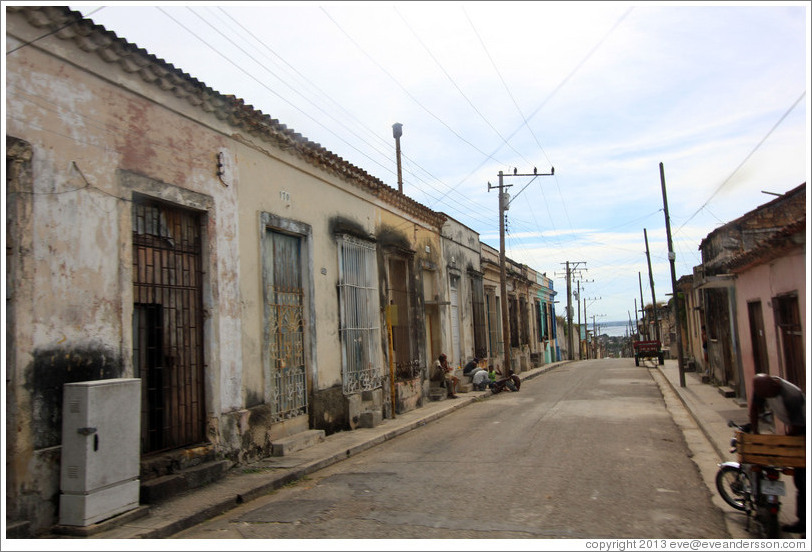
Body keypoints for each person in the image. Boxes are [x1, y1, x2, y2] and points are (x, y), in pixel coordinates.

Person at [749, 373, 805, 534]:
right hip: (796, 431)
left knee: (804, 481)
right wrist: (755, 434)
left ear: (775, 386)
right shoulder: (762, 388)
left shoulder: (791, 395)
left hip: (804, 430)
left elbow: (798, 427)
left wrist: (781, 444)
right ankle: (802, 521)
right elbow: (754, 409)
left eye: (769, 395)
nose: (766, 398)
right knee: (800, 482)